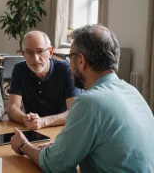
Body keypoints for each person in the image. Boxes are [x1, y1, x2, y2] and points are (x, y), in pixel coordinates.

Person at [11, 25, 154, 172]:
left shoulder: (89, 103)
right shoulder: (132, 92)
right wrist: (63, 146)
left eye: (70, 56)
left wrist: (23, 145)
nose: (69, 63)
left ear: (81, 60)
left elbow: (54, 164)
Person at [7, 31, 81, 129]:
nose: (35, 58)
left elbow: (75, 112)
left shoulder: (66, 70)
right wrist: (24, 118)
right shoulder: (19, 69)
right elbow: (12, 108)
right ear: (24, 54)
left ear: (50, 52)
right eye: (29, 52)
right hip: (33, 130)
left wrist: (44, 121)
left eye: (40, 51)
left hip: (60, 129)